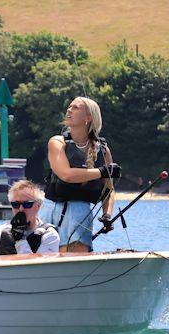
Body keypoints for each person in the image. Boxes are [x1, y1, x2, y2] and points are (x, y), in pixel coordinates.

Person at [40, 97, 120, 252]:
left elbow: (108, 190)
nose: (69, 110)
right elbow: (66, 175)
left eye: (75, 107)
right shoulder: (57, 142)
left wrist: (107, 215)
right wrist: (102, 171)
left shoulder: (103, 150)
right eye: (69, 106)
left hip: (79, 212)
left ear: (88, 117)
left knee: (74, 256)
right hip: (51, 209)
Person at [0, 180, 59, 255]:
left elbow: (38, 266)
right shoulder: (0, 232)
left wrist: (20, 240)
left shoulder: (49, 235)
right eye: (16, 204)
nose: (21, 209)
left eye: (27, 204)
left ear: (38, 205)